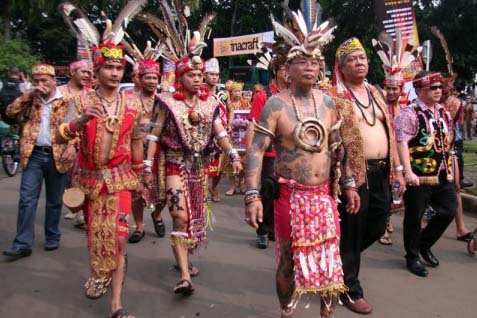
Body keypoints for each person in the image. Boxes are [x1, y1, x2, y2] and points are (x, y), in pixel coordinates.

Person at [245, 7, 347, 318]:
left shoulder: (329, 103)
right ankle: (286, 311)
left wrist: (348, 180)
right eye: (302, 60)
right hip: (289, 196)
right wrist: (252, 196)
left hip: (324, 196)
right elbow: (256, 150)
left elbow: (336, 146)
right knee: (288, 259)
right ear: (288, 68)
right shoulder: (276, 104)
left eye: (315, 61)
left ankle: (326, 314)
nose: (310, 67)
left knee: (330, 256)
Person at [143, 6, 242, 295]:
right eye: (192, 74)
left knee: (193, 220)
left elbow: (220, 132)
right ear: (181, 76)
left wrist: (233, 154)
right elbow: (154, 136)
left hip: (198, 167)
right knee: (180, 217)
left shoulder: (211, 103)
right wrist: (147, 168)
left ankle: (182, 258)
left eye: (201, 74)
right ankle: (185, 276)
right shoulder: (167, 103)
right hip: (174, 164)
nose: (198, 78)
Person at [56, 2, 147, 317]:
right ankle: (99, 274)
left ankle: (117, 304)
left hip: (120, 181)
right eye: (108, 67)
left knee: (119, 241)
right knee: (98, 240)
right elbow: (60, 136)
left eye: (119, 68)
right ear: (96, 70)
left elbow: (137, 145)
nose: (114, 72)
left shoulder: (133, 104)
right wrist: (80, 121)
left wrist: (141, 180)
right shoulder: (79, 101)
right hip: (91, 182)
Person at [329, 37, 405, 314]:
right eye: (352, 59)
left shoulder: (375, 92)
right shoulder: (334, 96)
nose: (360, 62)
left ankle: (335, 263)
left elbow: (391, 131)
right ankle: (349, 288)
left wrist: (398, 169)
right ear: (341, 66)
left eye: (362, 58)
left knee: (377, 222)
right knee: (351, 231)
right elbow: (332, 138)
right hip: (352, 174)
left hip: (381, 171)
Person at [2, 64, 75, 259]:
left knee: (54, 201)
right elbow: (10, 113)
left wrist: (72, 146)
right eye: (36, 81)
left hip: (57, 155)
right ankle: (22, 243)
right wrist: (27, 95)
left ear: (53, 80)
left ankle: (52, 235)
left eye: (44, 80)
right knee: (27, 200)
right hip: (32, 154)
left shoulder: (66, 100)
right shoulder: (30, 99)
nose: (40, 84)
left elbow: (76, 127)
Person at [395, 71, 457, 277]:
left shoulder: (443, 112)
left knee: (448, 210)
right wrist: (407, 171)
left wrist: (452, 170)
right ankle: (412, 256)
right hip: (419, 175)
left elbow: (448, 144)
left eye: (440, 87)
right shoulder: (410, 112)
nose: (439, 91)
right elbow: (402, 142)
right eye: (433, 88)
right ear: (420, 90)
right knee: (414, 216)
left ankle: (423, 244)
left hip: (441, 174)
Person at [372, 31, 419, 246]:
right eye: (388, 88)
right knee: (383, 194)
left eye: (395, 89)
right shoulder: (377, 107)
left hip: (400, 158)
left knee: (396, 193)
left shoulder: (405, 110)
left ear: (401, 90)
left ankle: (387, 222)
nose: (391, 92)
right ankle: (383, 226)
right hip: (382, 158)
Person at [246, 50, 288, 249]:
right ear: (276, 71)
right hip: (269, 154)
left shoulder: (294, 95)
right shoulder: (263, 94)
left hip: (288, 154)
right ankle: (263, 229)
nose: (288, 72)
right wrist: (249, 155)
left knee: (284, 195)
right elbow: (252, 126)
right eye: (284, 68)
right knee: (268, 192)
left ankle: (274, 228)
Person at [124, 49, 167, 243]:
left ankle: (157, 215)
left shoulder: (165, 100)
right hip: (136, 152)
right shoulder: (129, 99)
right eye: (147, 77)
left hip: (161, 152)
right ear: (140, 79)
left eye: (154, 78)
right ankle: (139, 226)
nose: (151, 81)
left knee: (165, 191)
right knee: (137, 192)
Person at [58, 60, 93, 228]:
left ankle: (80, 211)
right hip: (61, 139)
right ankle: (72, 204)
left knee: (81, 176)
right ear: (72, 72)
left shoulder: (92, 94)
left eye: (89, 73)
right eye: (83, 72)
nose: (87, 75)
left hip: (85, 142)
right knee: (67, 177)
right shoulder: (59, 92)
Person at [441, 75, 473, 242]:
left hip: (451, 145)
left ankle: (461, 227)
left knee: (456, 186)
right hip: (431, 147)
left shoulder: (454, 103)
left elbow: (449, 129)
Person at [204, 57, 231, 202]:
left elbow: (230, 110)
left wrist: (230, 124)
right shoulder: (200, 93)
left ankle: (213, 188)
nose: (214, 77)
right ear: (205, 75)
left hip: (222, 134)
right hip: (206, 135)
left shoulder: (223, 94)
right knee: (205, 165)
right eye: (211, 74)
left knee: (219, 168)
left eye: (216, 74)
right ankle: (203, 190)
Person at [224, 81, 250, 196]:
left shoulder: (246, 104)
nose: (238, 93)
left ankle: (242, 183)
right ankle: (232, 186)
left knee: (244, 162)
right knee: (231, 161)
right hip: (232, 137)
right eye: (235, 91)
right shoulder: (228, 104)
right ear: (231, 92)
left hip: (243, 137)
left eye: (239, 91)